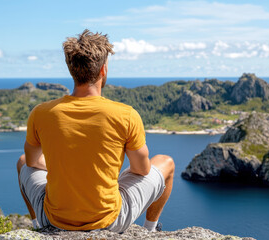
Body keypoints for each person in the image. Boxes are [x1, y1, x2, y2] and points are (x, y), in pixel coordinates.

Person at [16, 29, 174, 233]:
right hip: (109, 221)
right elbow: (142, 170)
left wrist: (67, 167)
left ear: (71, 70)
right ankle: (151, 230)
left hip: (53, 218)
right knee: (166, 163)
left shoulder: (41, 112)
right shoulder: (125, 115)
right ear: (103, 70)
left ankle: (38, 225)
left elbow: (31, 161)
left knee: (21, 162)